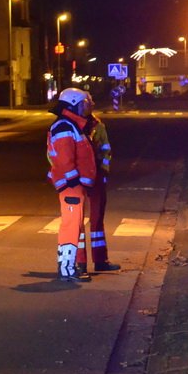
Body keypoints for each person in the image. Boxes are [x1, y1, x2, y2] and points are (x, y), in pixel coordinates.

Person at [46, 88, 96, 282]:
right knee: (71, 227)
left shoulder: (71, 125)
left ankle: (67, 267)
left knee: (74, 225)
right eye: (84, 104)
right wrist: (74, 179)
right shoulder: (65, 126)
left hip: (73, 184)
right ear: (75, 103)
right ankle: (67, 269)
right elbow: (65, 157)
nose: (87, 107)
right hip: (71, 185)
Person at [78, 95, 121, 274]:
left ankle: (100, 260)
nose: (90, 107)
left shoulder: (97, 125)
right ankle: (80, 262)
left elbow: (106, 149)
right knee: (77, 222)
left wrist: (103, 171)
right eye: (87, 104)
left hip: (94, 176)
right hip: (79, 177)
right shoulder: (71, 126)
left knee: (96, 219)